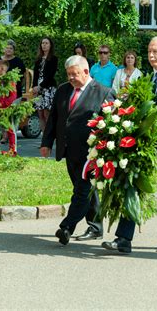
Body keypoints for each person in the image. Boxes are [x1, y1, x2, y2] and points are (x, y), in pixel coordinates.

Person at [101, 36, 157, 254]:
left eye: (156, 52)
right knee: (132, 185)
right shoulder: (147, 79)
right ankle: (124, 238)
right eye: (149, 52)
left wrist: (155, 115)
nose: (151, 56)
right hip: (144, 143)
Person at [40, 55, 115, 245]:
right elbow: (54, 118)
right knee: (84, 190)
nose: (71, 78)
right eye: (68, 74)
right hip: (69, 149)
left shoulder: (103, 92)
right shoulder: (63, 90)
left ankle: (66, 227)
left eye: (75, 74)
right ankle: (95, 226)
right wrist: (47, 142)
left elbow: (111, 124)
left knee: (82, 190)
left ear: (86, 71)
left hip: (91, 153)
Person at [32, 37, 58, 133]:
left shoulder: (54, 59)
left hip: (48, 88)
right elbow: (35, 75)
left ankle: (49, 138)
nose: (44, 45)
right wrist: (34, 88)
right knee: (40, 114)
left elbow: (50, 75)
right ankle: (43, 140)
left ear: (50, 45)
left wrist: (40, 86)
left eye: (46, 43)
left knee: (47, 114)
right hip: (38, 89)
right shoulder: (38, 59)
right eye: (43, 43)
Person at [0, 60, 18, 155]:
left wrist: (3, 106)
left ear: (2, 68)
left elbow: (12, 96)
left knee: (9, 129)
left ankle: (12, 150)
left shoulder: (9, 80)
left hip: (6, 109)